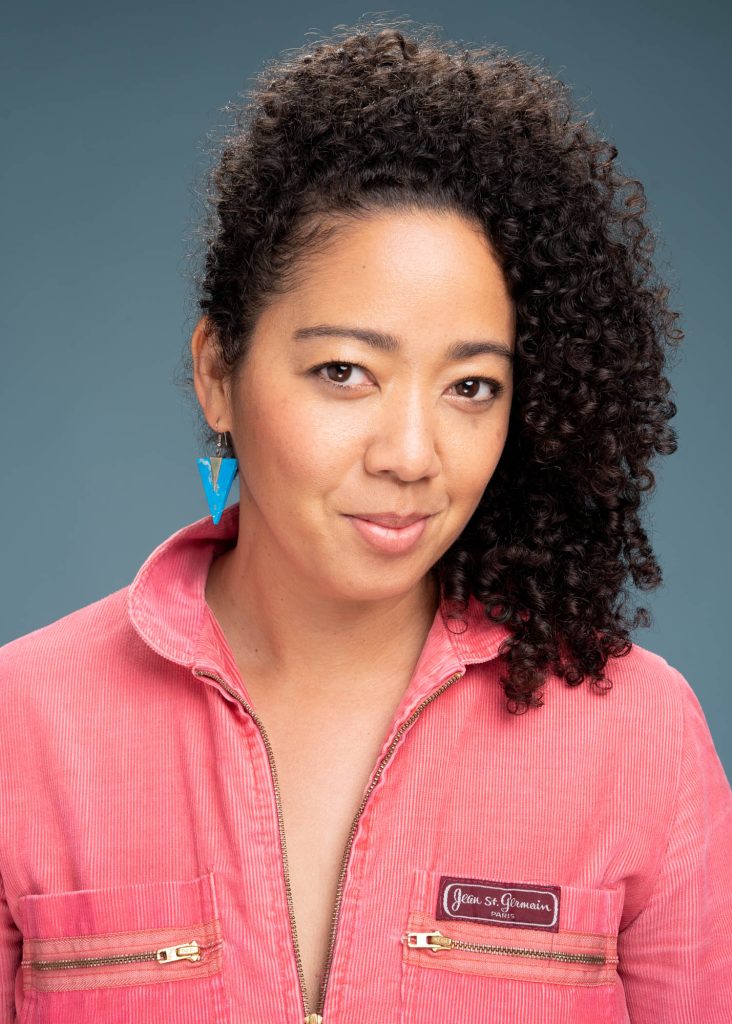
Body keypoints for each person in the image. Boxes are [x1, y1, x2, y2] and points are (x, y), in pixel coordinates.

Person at [1, 18, 730, 1024]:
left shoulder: (635, 737)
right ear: (219, 371)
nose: (412, 453)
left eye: (473, 385)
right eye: (345, 371)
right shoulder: (20, 727)